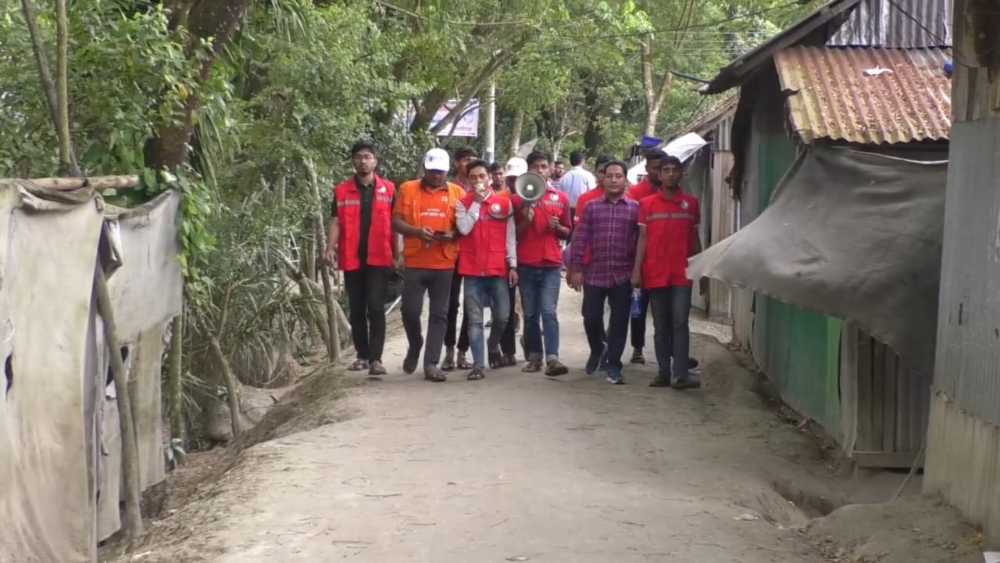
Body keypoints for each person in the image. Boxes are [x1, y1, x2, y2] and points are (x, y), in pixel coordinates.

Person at [392, 148, 466, 382]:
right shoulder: (407, 189)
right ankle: (415, 344)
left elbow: (465, 228)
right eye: (432, 171)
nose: (436, 176)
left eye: (441, 172)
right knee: (410, 311)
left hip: (444, 262)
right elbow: (395, 221)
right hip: (415, 261)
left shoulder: (458, 193)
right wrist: (415, 232)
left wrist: (452, 234)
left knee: (440, 314)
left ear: (447, 172)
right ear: (425, 168)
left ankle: (431, 363)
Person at [326, 141, 396, 377]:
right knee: (356, 309)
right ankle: (362, 356)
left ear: (375, 161)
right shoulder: (342, 190)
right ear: (353, 161)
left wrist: (400, 254)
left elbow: (396, 224)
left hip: (379, 257)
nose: (362, 161)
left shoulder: (389, 189)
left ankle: (376, 359)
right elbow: (336, 221)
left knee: (376, 308)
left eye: (367, 156)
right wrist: (329, 248)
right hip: (352, 258)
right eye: (358, 157)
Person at [632, 155, 702, 390]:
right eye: (666, 170)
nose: (671, 174)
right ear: (659, 175)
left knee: (680, 322)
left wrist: (701, 269)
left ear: (682, 174)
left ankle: (680, 374)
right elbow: (642, 239)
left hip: (683, 273)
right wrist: (636, 271)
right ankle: (663, 372)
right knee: (661, 324)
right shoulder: (647, 204)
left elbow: (694, 239)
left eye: (675, 170)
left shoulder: (691, 203)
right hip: (655, 272)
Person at [569, 160, 639, 385]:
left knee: (619, 322)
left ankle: (614, 365)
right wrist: (576, 268)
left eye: (618, 176)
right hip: (595, 273)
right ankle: (598, 348)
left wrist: (638, 272)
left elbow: (640, 243)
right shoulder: (591, 207)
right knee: (590, 317)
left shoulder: (635, 209)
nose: (614, 180)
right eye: (609, 176)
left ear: (625, 179)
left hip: (623, 274)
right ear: (602, 179)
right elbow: (580, 239)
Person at [455, 159, 519, 380]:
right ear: (468, 180)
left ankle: (493, 346)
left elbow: (510, 236)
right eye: (473, 177)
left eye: (482, 176)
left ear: (489, 178)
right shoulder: (463, 203)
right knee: (474, 320)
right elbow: (463, 229)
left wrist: (513, 265)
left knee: (502, 316)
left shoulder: (503, 203)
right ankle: (478, 366)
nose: (478, 181)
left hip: (497, 269)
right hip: (472, 270)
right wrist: (476, 204)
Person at [513, 151, 572, 376]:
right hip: (526, 262)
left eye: (544, 166)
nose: (540, 170)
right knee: (530, 314)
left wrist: (558, 228)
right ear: (528, 170)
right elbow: (513, 236)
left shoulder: (561, 198)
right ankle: (534, 357)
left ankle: (553, 358)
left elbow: (568, 231)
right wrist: (526, 221)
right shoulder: (517, 199)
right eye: (535, 166)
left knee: (548, 311)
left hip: (550, 263)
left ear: (549, 169)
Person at [624, 148, 666, 365]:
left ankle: (666, 351)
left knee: (663, 311)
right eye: (654, 168)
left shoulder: (673, 191)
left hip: (664, 261)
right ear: (647, 168)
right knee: (638, 308)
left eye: (662, 168)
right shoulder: (636, 193)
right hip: (639, 260)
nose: (658, 173)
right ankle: (637, 348)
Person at [442, 147, 478, 371]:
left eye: (473, 160)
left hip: (475, 253)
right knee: (450, 303)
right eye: (465, 160)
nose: (469, 163)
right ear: (457, 163)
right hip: (452, 253)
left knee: (471, 304)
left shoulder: (481, 190)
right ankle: (448, 350)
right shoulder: (449, 188)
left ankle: (463, 351)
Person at [496, 157, 528, 366]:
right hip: (507, 260)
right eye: (511, 178)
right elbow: (505, 233)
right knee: (505, 307)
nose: (513, 182)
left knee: (530, 307)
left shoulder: (538, 196)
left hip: (531, 259)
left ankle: (530, 342)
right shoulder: (500, 200)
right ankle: (508, 350)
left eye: (518, 178)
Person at [558, 151, 597, 224]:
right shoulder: (588, 176)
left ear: (570, 161)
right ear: (583, 161)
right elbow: (593, 193)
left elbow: (559, 196)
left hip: (566, 211)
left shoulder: (564, 177)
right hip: (582, 211)